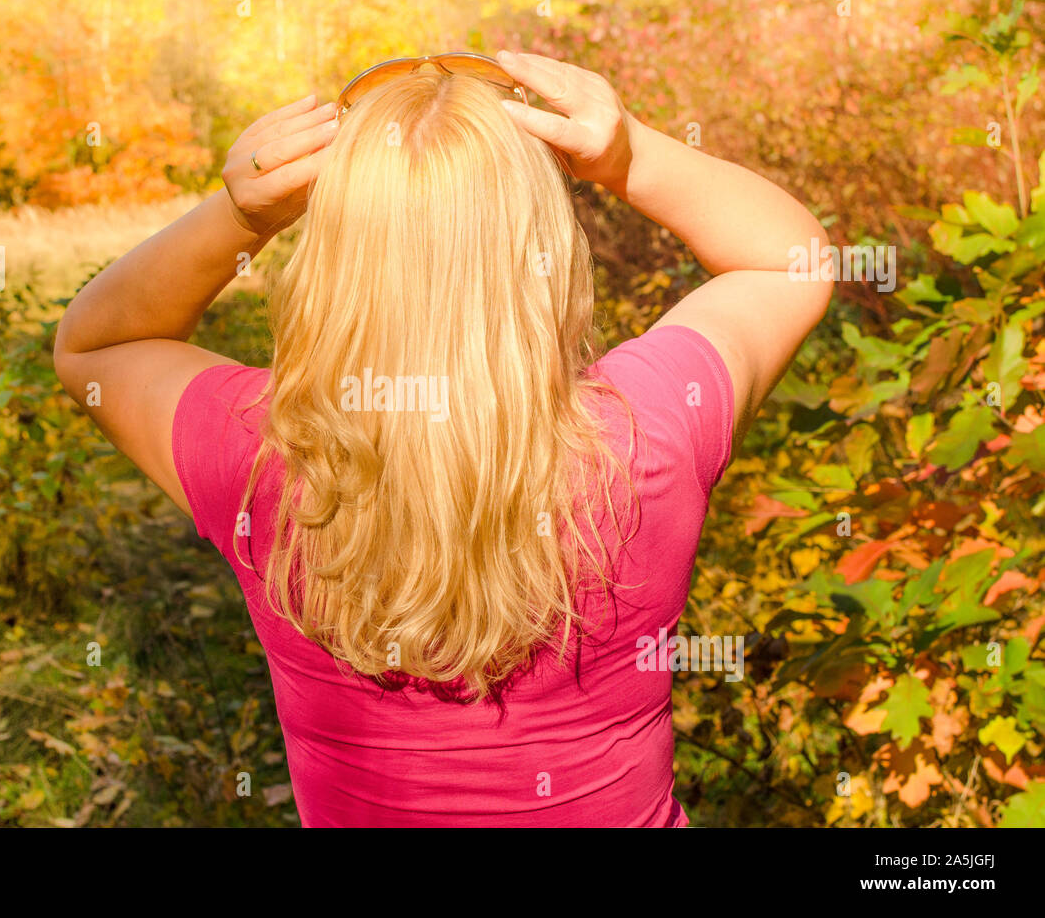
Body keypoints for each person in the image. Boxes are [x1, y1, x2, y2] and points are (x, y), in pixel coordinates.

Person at [53, 50, 834, 826]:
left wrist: (238, 218)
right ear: (546, 254)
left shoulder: (258, 455)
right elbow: (789, 262)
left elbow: (98, 347)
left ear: (334, 263)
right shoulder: (647, 430)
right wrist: (627, 154)